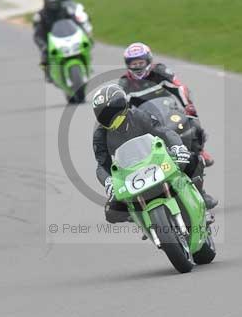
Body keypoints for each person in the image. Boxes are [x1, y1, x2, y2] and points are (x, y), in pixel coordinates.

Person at [92, 84, 218, 223]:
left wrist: (177, 147)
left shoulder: (139, 116)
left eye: (112, 113)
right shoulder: (100, 136)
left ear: (123, 107)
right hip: (129, 174)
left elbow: (164, 132)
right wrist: (108, 181)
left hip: (156, 159)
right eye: (104, 115)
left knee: (193, 160)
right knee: (111, 213)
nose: (110, 118)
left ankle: (201, 201)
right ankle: (143, 219)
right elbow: (102, 165)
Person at [117, 42, 215, 167]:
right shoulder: (124, 83)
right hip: (146, 120)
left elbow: (179, 87)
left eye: (140, 63)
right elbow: (121, 105)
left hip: (169, 111)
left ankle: (200, 151)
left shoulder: (160, 70)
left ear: (148, 61)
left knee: (191, 121)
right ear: (128, 65)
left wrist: (188, 106)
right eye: (134, 64)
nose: (138, 66)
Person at [32, 0, 75, 82]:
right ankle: (47, 72)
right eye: (51, 3)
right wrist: (43, 45)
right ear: (46, 3)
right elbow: (37, 33)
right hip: (48, 39)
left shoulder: (65, 10)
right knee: (45, 53)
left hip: (65, 34)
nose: (54, 5)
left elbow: (75, 22)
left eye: (56, 3)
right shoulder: (40, 15)